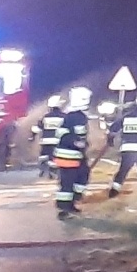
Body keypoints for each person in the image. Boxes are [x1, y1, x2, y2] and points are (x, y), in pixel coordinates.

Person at [52, 86, 92, 219]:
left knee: (82, 175)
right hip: (69, 156)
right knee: (68, 183)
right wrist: (77, 142)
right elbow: (73, 135)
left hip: (73, 154)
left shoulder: (71, 115)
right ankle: (64, 209)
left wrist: (81, 144)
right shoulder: (77, 117)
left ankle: (71, 203)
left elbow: (64, 134)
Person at [34, 94, 64, 179]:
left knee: (44, 155)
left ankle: (42, 170)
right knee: (54, 157)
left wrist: (32, 136)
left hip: (45, 141)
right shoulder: (64, 117)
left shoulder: (45, 117)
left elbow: (38, 128)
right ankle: (53, 172)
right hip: (57, 141)